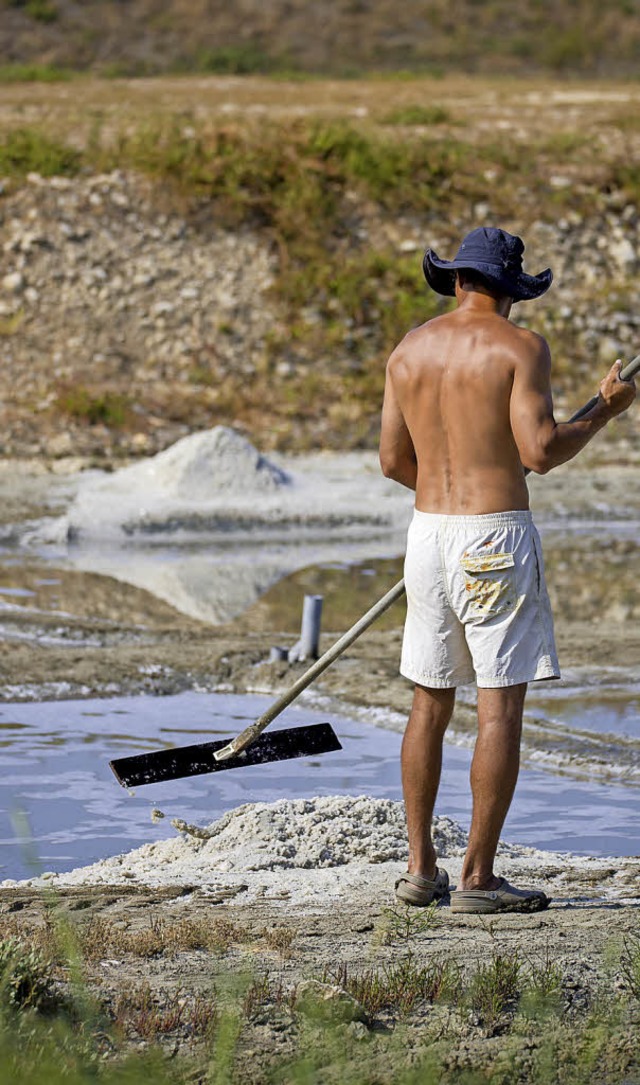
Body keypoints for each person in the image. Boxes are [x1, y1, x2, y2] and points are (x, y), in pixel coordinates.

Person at [379, 226, 636, 914]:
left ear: (458, 281)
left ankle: (419, 867)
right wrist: (605, 412)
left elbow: (392, 461)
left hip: (429, 534)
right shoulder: (520, 347)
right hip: (493, 536)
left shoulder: (410, 349)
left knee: (429, 699)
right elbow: (542, 450)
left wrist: (449, 489)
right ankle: (478, 875)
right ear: (510, 290)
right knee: (499, 703)